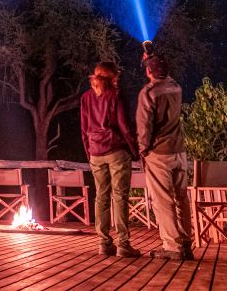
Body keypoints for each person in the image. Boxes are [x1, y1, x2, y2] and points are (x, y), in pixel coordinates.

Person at [80, 62, 141, 257]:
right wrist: (135, 150)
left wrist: (89, 152)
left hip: (96, 152)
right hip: (116, 150)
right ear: (112, 77)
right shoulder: (116, 94)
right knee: (120, 196)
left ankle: (104, 243)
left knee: (101, 196)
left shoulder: (86, 98)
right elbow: (124, 125)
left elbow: (83, 129)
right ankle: (123, 244)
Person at [137, 54, 194, 260]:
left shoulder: (148, 93)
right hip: (179, 150)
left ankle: (172, 245)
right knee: (181, 198)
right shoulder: (176, 88)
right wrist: (152, 58)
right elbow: (165, 76)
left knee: (163, 200)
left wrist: (142, 149)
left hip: (159, 152)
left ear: (149, 72)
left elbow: (144, 126)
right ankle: (186, 243)